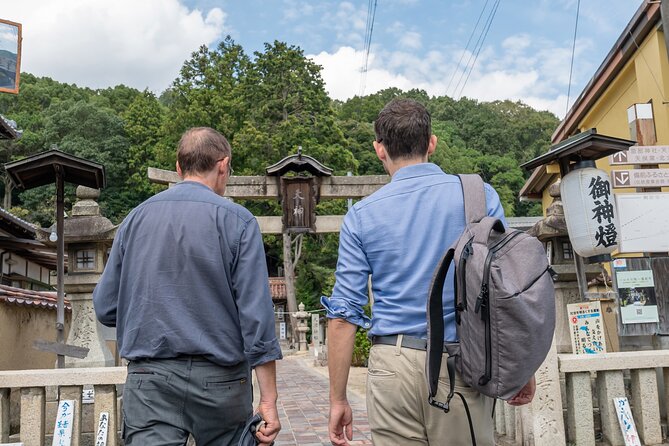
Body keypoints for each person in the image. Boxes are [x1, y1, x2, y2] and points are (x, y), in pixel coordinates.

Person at [322, 99, 535, 445]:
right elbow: (507, 289)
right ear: (431, 142)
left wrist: (338, 399)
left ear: (379, 150)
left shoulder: (361, 216)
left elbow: (344, 316)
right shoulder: (478, 196)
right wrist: (521, 366)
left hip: (391, 364)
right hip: (461, 361)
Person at [93, 127, 282, 446]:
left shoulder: (135, 219)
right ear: (223, 166)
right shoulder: (239, 221)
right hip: (221, 381)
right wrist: (269, 401)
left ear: (179, 168)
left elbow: (106, 306)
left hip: (151, 379)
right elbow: (257, 320)